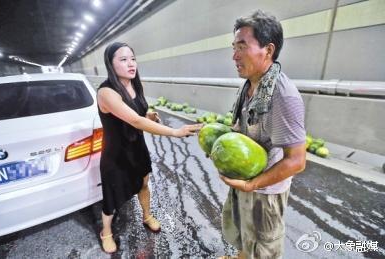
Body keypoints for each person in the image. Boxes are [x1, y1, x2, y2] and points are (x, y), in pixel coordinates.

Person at [96, 42, 201, 254]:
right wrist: (173, 131)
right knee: (112, 197)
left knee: (144, 184)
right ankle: (105, 232)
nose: (130, 64)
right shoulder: (106, 92)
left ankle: (147, 215)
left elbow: (137, 115)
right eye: (123, 60)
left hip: (137, 148)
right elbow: (134, 121)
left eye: (132, 58)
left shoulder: (134, 84)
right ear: (110, 64)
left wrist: (148, 116)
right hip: (116, 154)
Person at [219, 10, 306, 258]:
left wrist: (251, 185)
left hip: (265, 193)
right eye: (234, 47)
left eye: (242, 47)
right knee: (244, 234)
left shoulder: (282, 95)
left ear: (268, 50)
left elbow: (297, 160)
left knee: (264, 247)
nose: (234, 56)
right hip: (245, 180)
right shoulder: (250, 85)